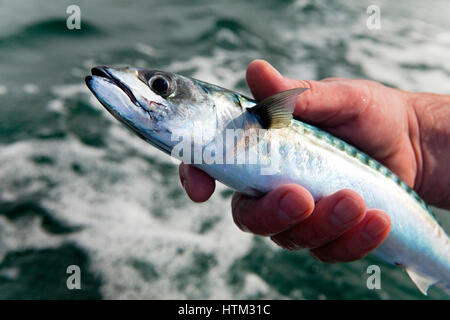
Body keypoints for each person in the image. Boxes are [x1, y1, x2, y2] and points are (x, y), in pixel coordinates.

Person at [178, 59, 450, 263]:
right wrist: (414, 131)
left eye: (160, 87)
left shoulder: (249, 119)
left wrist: (413, 128)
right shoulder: (199, 149)